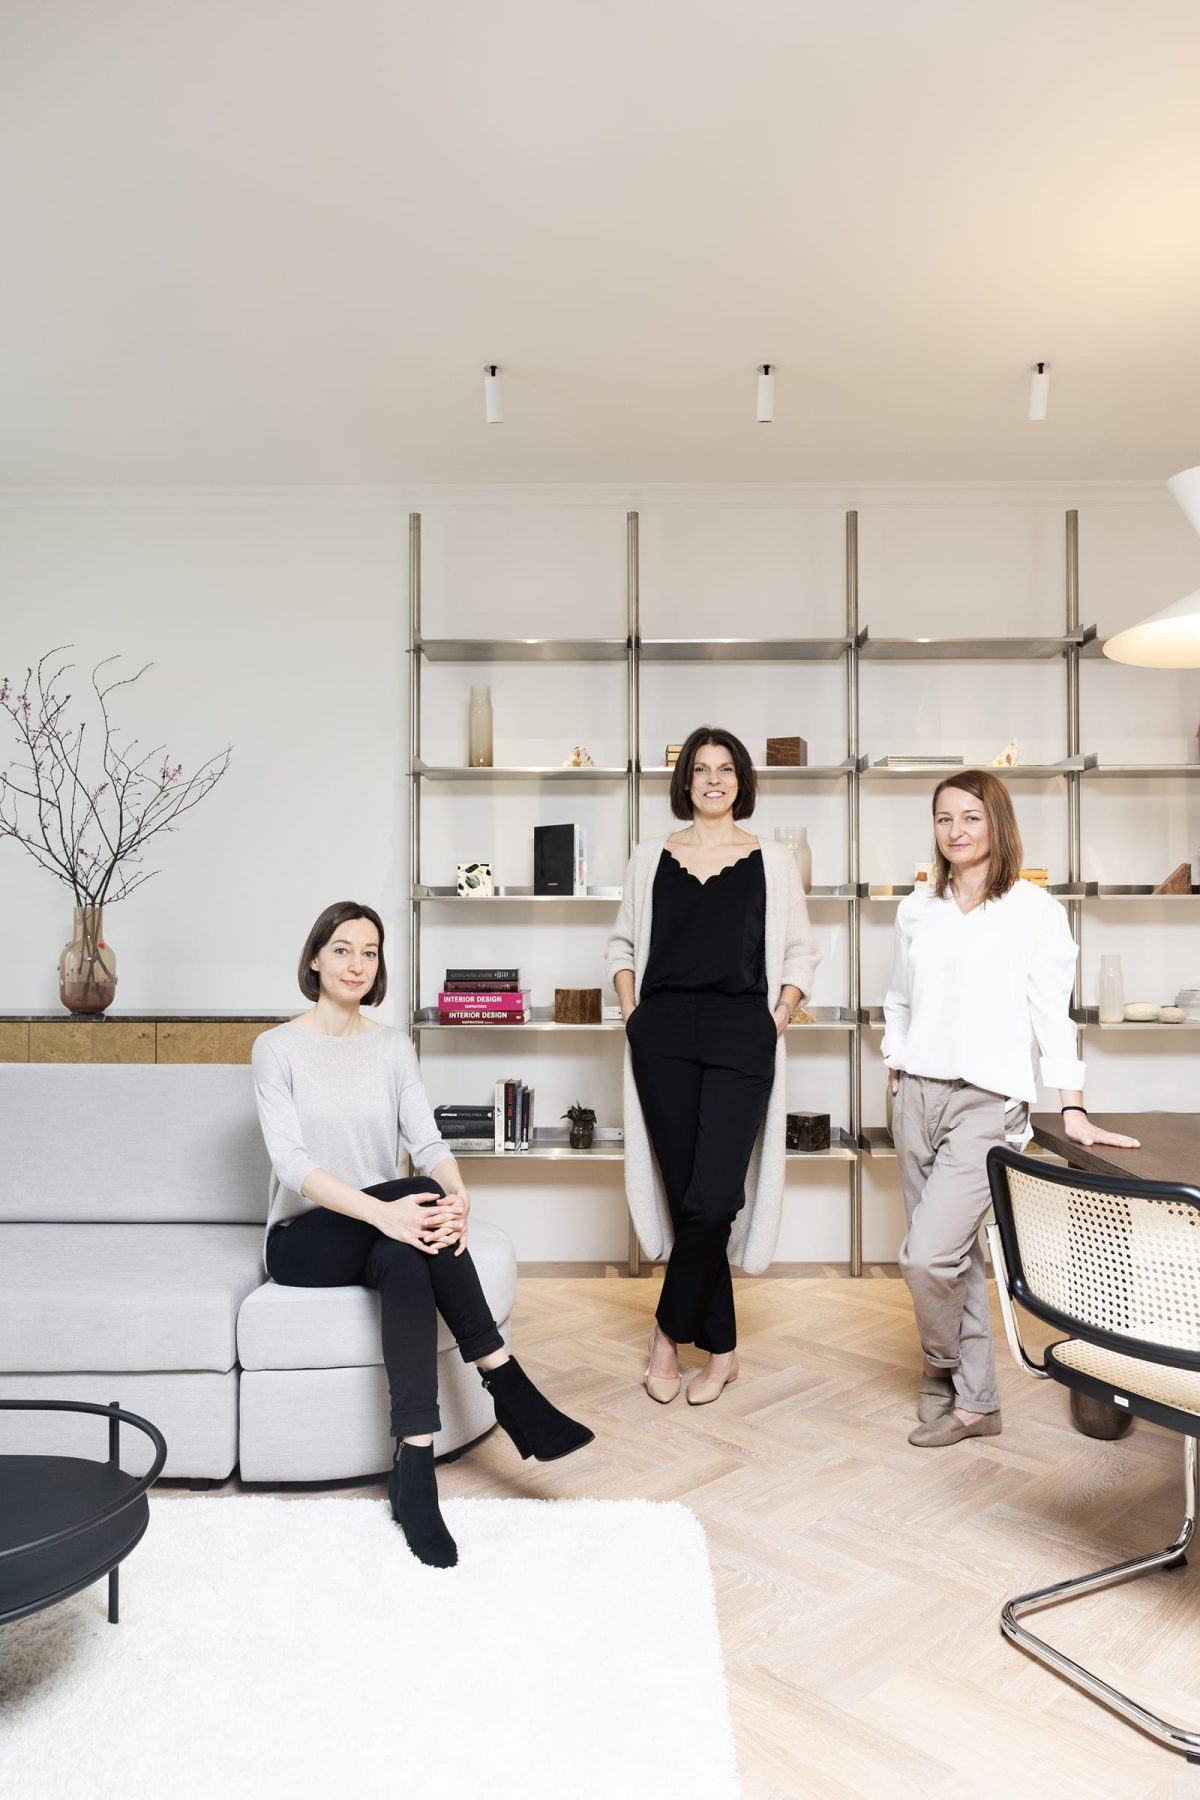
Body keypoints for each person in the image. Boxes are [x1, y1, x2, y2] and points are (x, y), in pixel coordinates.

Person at [251, 900, 593, 1567]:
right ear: (315, 958)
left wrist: (458, 1198)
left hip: (389, 1233)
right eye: (342, 949)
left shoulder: (391, 1046)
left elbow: (428, 1141)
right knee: (410, 1206)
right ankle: (508, 1385)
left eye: (370, 952)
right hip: (304, 1240)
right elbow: (291, 1165)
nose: (356, 964)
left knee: (409, 1259)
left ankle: (414, 1471)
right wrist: (393, 1210)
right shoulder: (277, 1048)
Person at [882, 770, 1140, 1448]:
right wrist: (895, 1058)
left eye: (971, 817)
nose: (956, 831)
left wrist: (1073, 1108)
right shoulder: (917, 908)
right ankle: (976, 1403)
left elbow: (1053, 1018)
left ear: (997, 823)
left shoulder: (1035, 912)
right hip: (916, 1097)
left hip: (987, 1105)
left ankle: (939, 1364)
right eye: (944, 819)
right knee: (954, 1255)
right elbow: (899, 998)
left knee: (927, 1257)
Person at [606, 726, 819, 1405]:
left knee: (713, 1198)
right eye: (701, 769)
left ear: (741, 781)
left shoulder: (772, 860)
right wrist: (633, 1014)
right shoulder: (649, 857)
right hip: (662, 1034)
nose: (714, 779)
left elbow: (800, 950)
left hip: (741, 1033)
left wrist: (777, 1016)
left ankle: (666, 1337)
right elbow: (622, 944)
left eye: (726, 769)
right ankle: (722, 1352)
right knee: (688, 1198)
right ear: (686, 781)